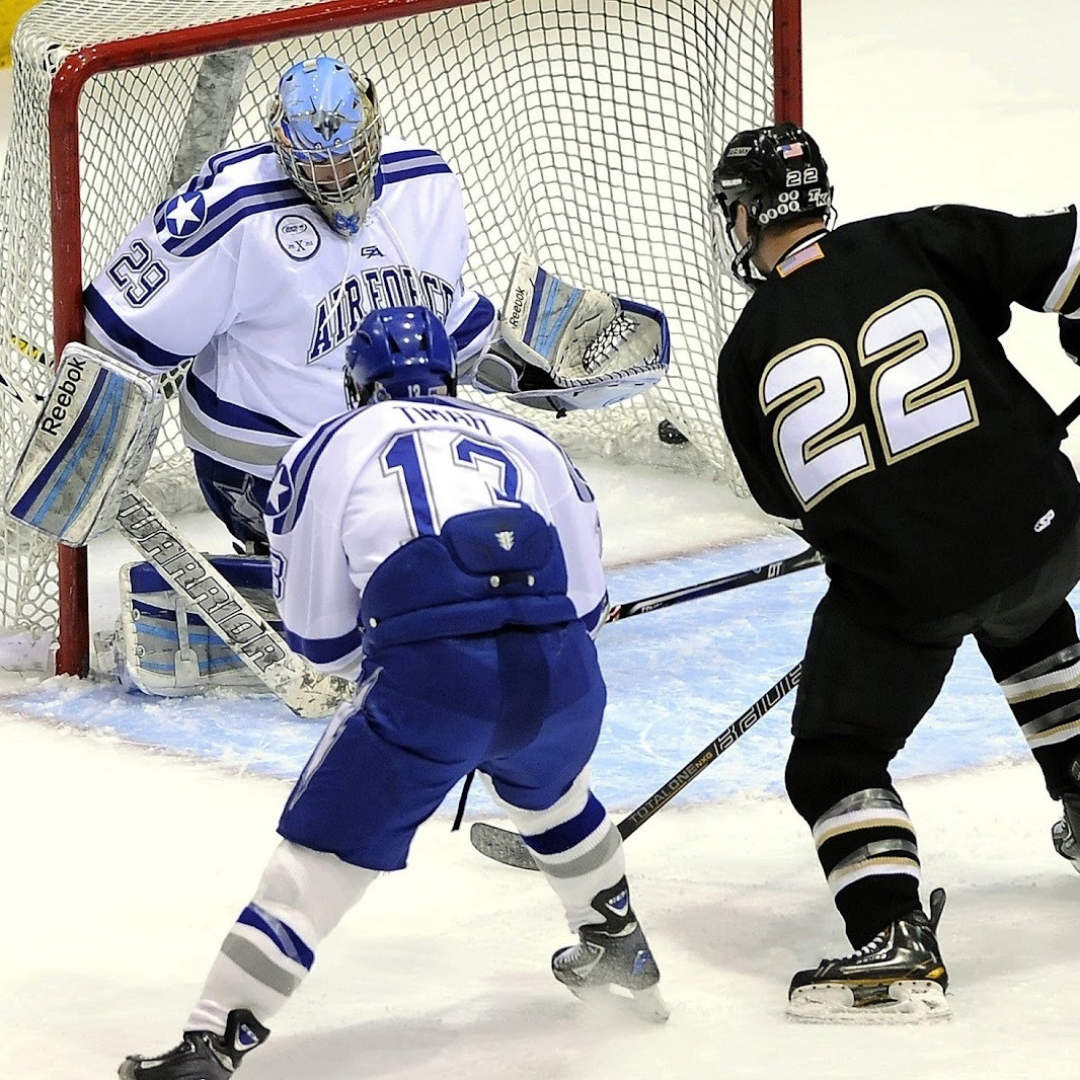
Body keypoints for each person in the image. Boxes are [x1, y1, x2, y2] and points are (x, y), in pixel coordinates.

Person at [117, 306, 668, 1079]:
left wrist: (419, 680)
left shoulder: (325, 444)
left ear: (354, 385)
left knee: (321, 857)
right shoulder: (530, 440)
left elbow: (318, 637)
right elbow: (585, 606)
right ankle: (620, 950)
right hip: (565, 677)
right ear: (451, 378)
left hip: (432, 684)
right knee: (555, 792)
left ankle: (213, 1042)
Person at [712, 121, 1080, 1021]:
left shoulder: (746, 353)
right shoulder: (916, 236)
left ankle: (893, 937)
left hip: (910, 588)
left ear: (752, 213)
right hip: (1048, 527)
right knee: (1024, 612)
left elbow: (790, 502)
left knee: (836, 755)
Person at [84, 55, 497, 551]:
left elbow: (440, 310)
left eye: (348, 156)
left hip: (399, 449)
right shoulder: (232, 209)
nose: (337, 177)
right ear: (282, 150)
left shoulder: (426, 180)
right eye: (318, 163)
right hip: (265, 463)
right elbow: (114, 334)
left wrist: (518, 353)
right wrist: (92, 431)